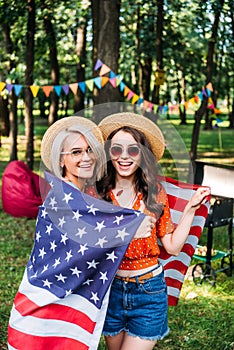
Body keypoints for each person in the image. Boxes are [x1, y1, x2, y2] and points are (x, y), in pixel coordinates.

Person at [97, 112, 210, 350]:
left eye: (133, 150)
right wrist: (128, 231)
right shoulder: (99, 194)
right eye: (117, 149)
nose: (124, 157)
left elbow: (172, 246)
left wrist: (189, 210)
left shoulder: (155, 192)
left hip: (148, 292)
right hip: (111, 290)